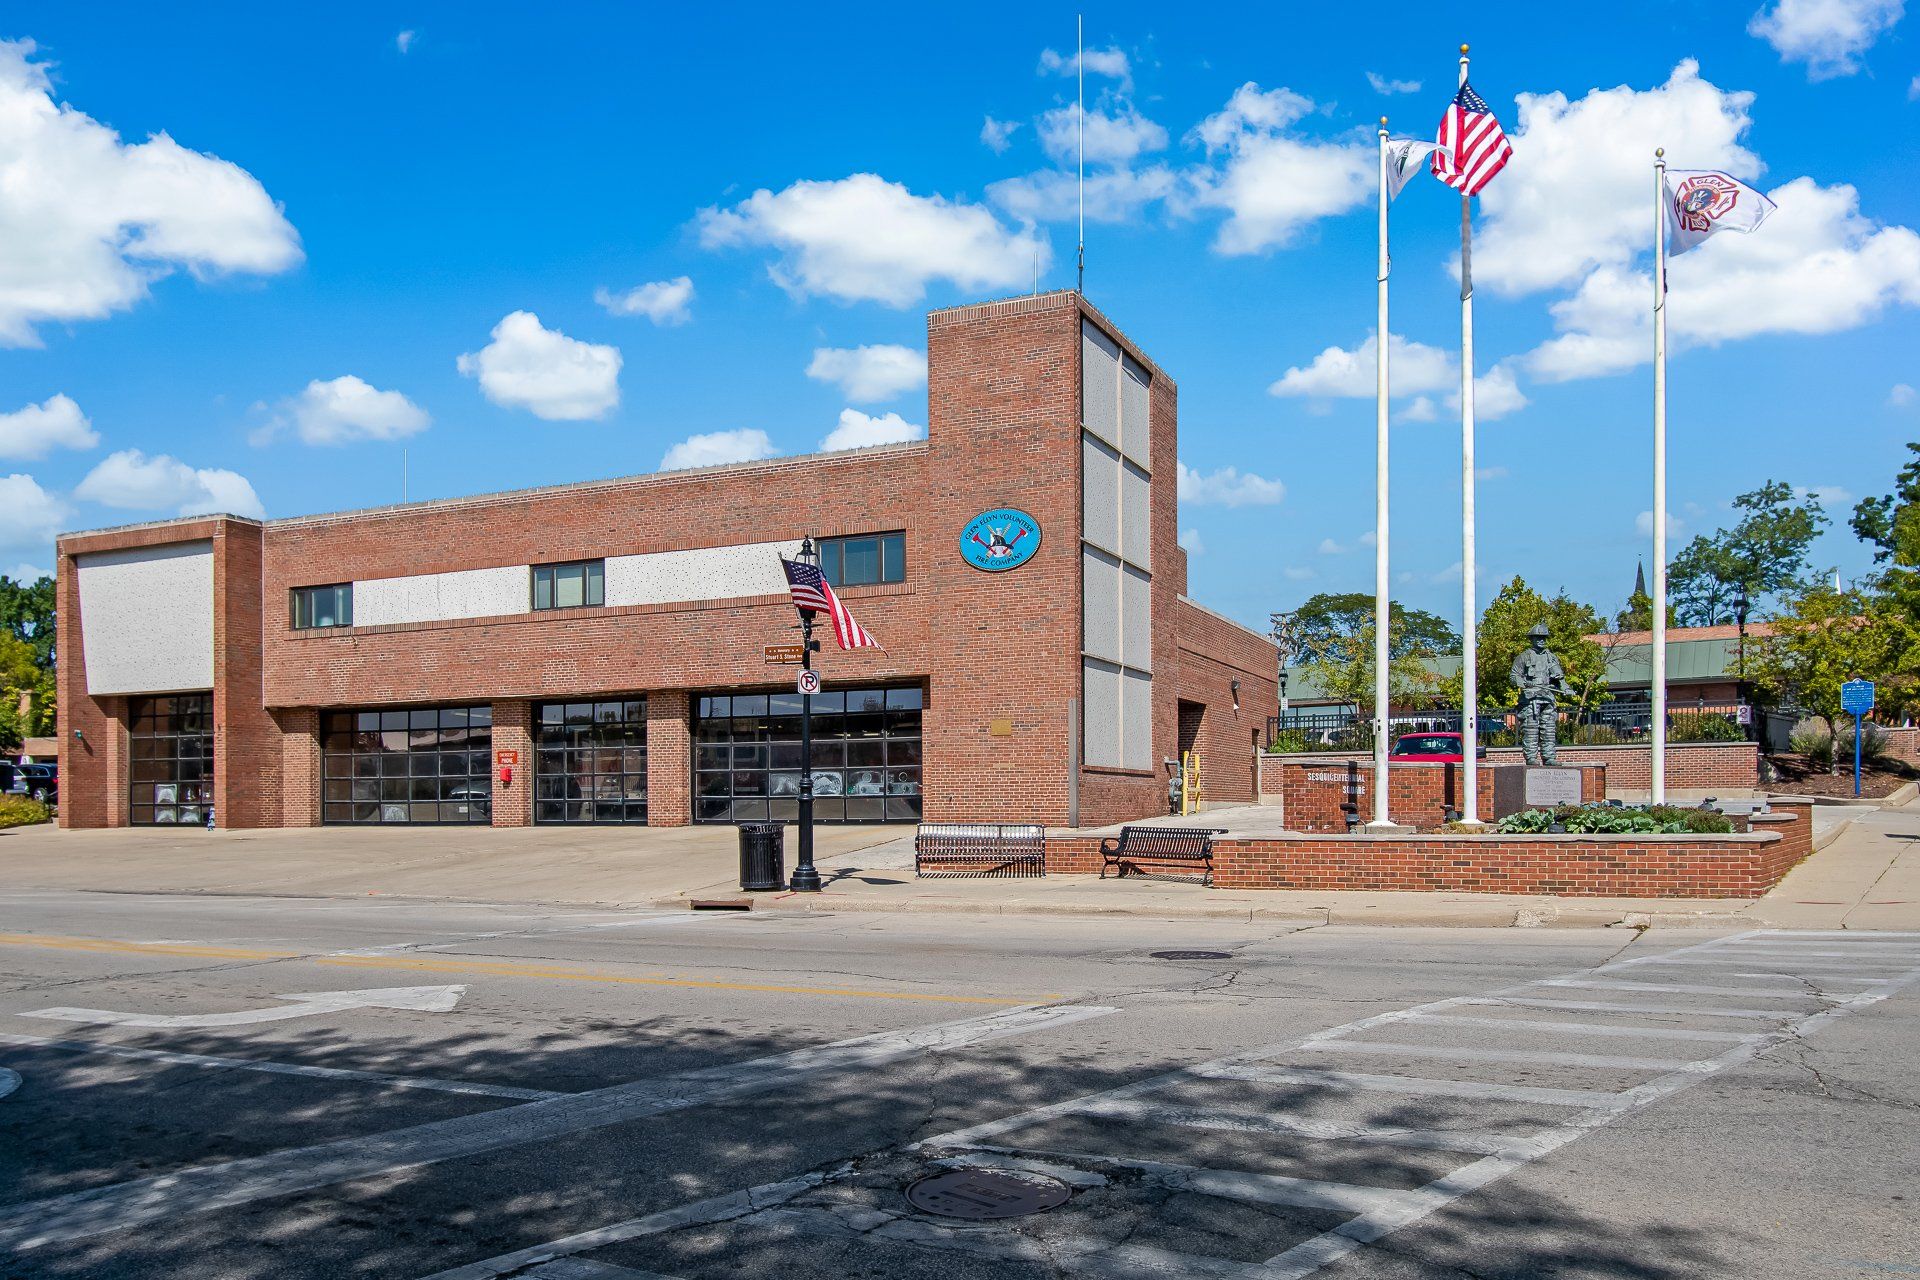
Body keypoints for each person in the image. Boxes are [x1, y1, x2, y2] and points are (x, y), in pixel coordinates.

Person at [1510, 623, 1567, 766]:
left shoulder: (1551, 657)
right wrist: (1524, 683)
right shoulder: (1524, 657)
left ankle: (1549, 757)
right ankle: (1531, 757)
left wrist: (1565, 687)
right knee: (1531, 729)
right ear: (1532, 639)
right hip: (1530, 699)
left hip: (1547, 697)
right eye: (1538, 638)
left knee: (1549, 730)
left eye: (1543, 638)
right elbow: (1513, 676)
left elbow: (1559, 677)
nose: (1541, 640)